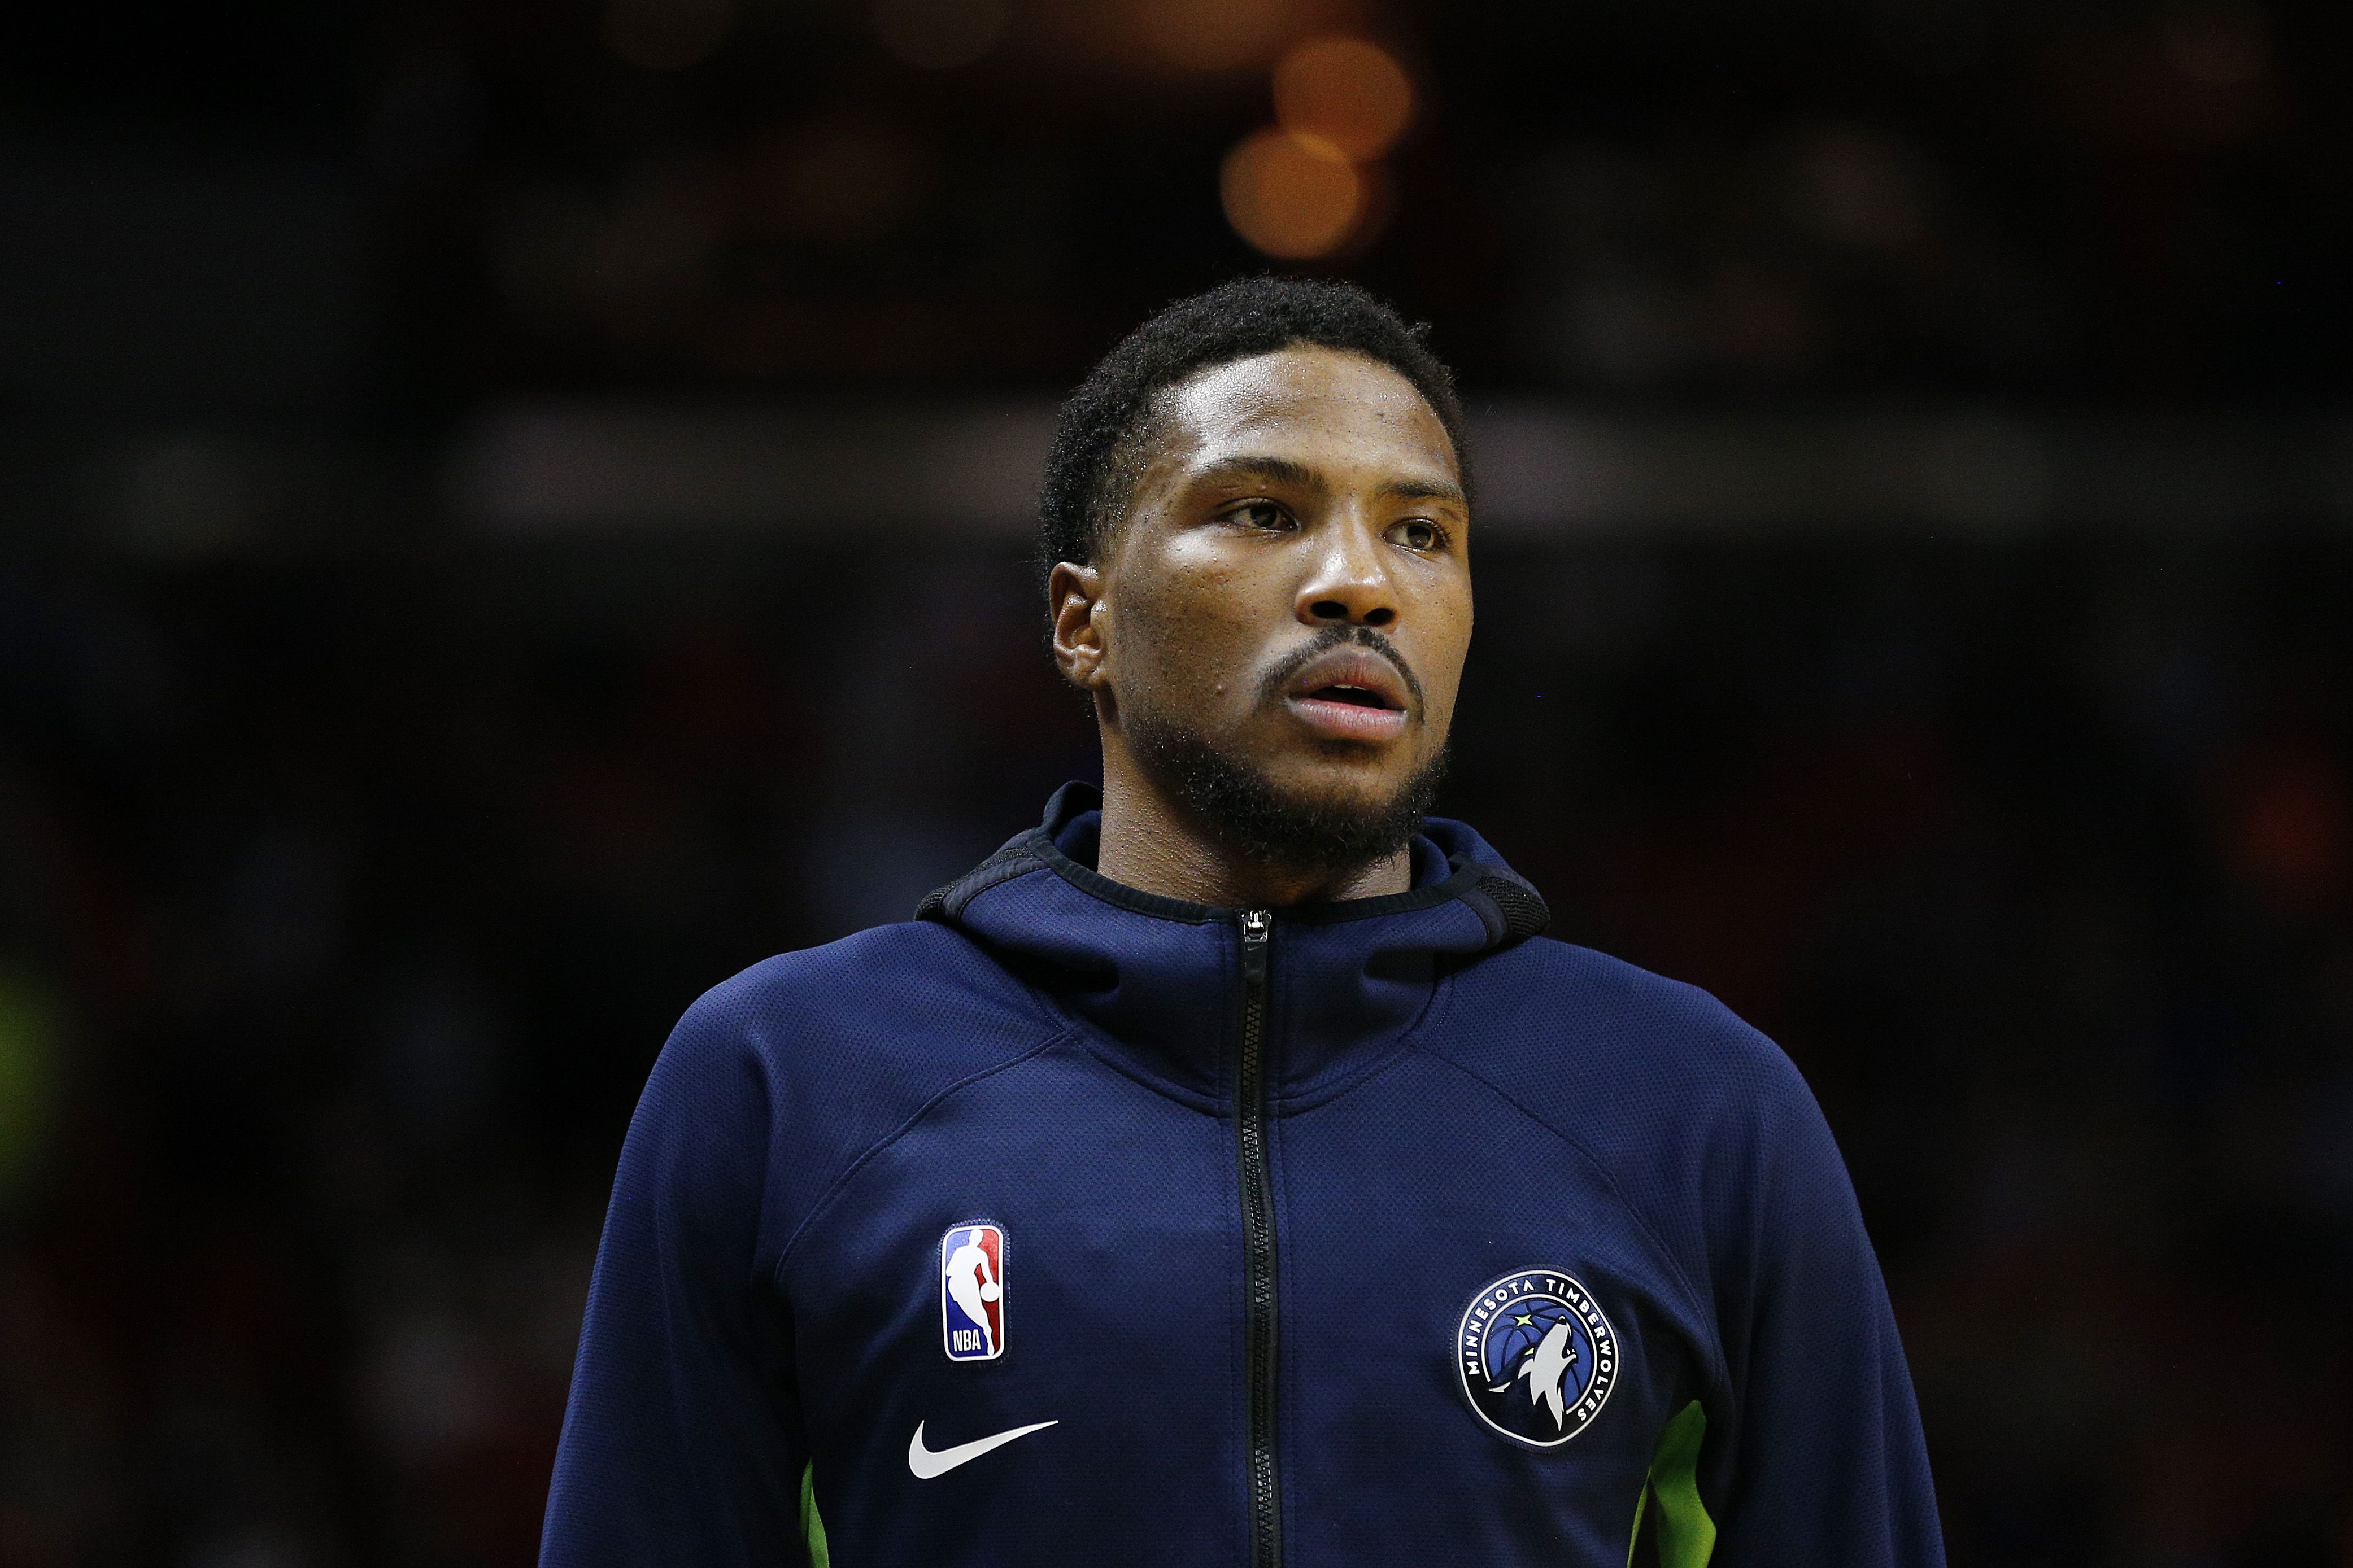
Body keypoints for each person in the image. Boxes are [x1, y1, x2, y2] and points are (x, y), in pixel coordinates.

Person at [538, 278, 1944, 1567]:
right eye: (1263, 512)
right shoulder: (786, 1078)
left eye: (1422, 532)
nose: (1360, 582)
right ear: (1082, 621)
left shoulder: (1695, 1107)